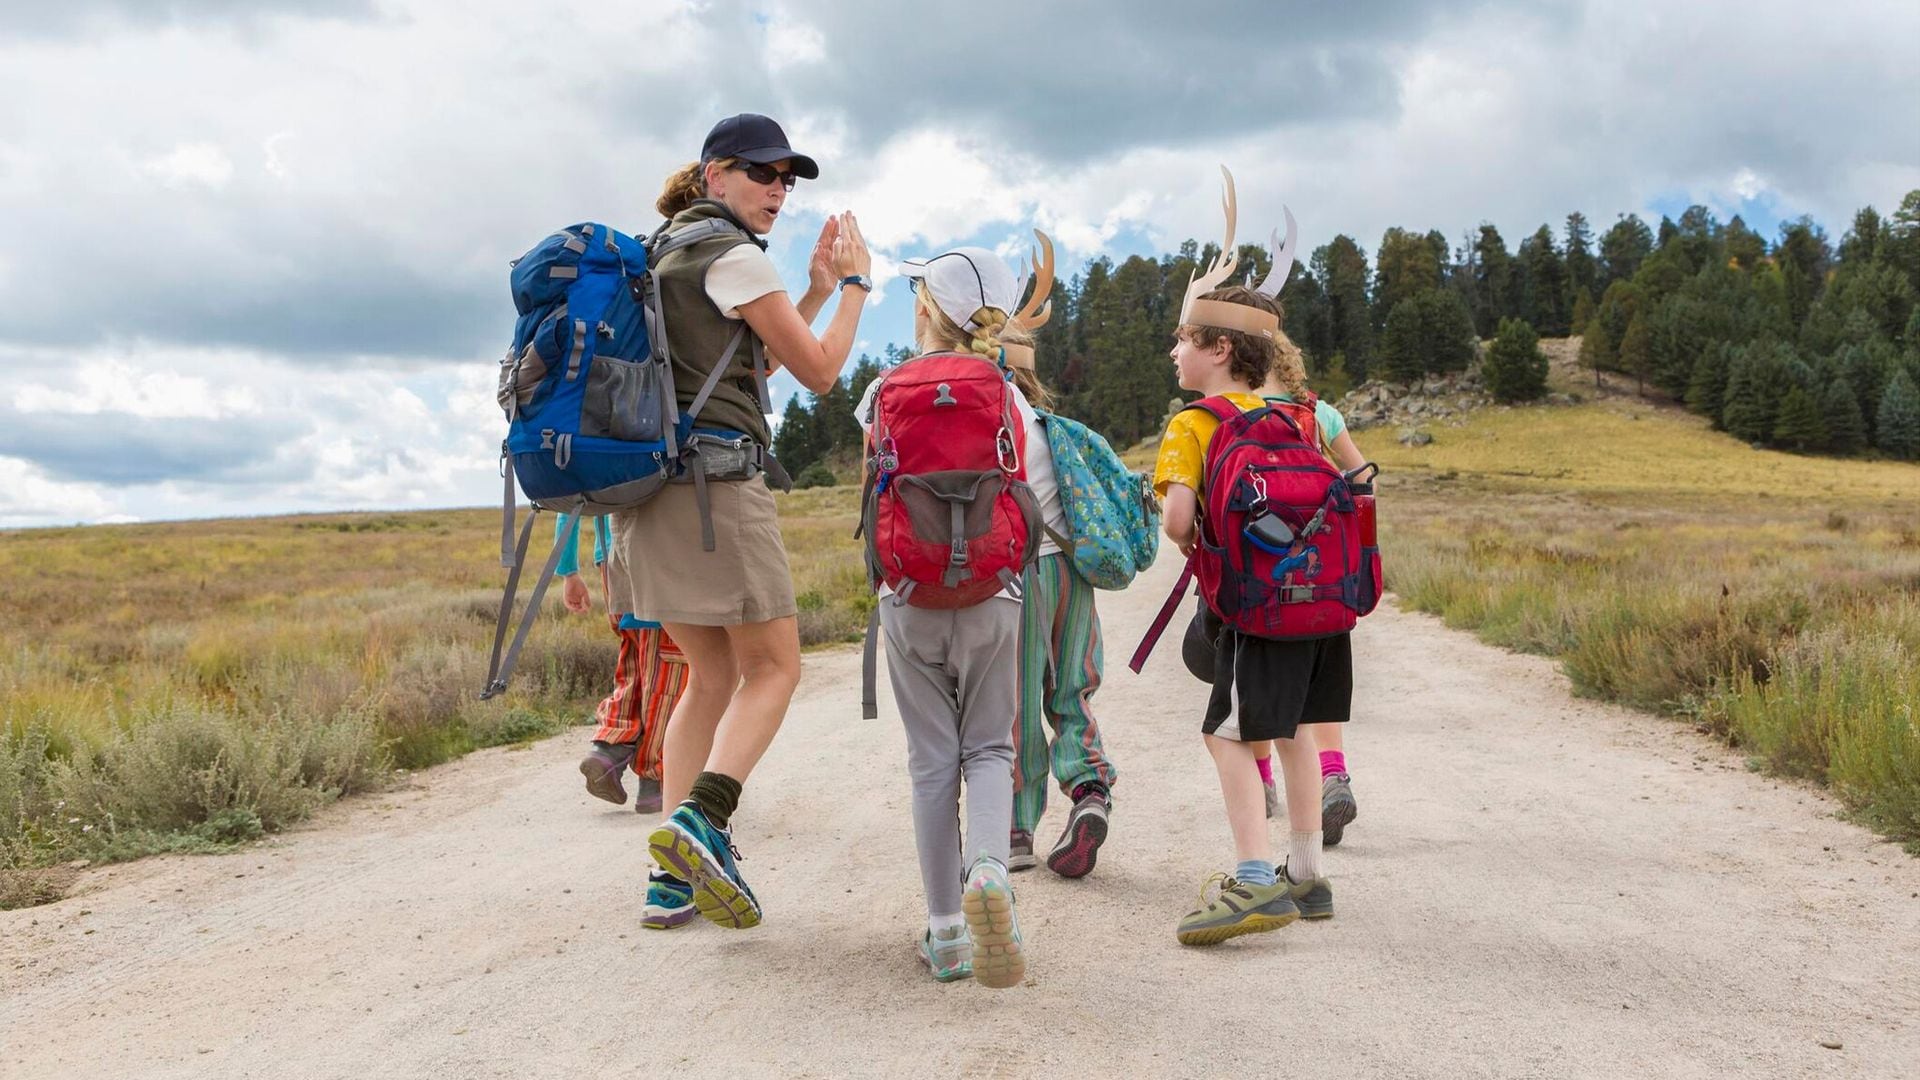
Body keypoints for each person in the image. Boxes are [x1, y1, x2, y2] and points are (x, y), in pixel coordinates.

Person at [629, 113, 872, 932]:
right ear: (713, 175)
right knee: (774, 669)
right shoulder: (731, 253)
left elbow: (745, 359)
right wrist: (856, 287)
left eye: (788, 178)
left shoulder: (667, 250)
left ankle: (671, 876)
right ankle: (703, 819)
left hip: (651, 495)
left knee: (710, 677)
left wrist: (806, 291)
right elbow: (820, 370)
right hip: (719, 491)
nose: (778, 188)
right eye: (761, 173)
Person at [855, 246, 1044, 986]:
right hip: (993, 597)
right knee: (990, 749)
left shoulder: (879, 391)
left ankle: (945, 933)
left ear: (926, 309)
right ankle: (991, 870)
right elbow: (1023, 490)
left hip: (909, 598)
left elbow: (871, 493)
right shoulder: (1008, 391)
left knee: (932, 762)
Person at [1155, 284, 1345, 945]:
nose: (1174, 352)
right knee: (1292, 730)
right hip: (1320, 606)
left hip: (1254, 609)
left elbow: (1179, 517)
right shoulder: (1298, 416)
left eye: (1183, 340)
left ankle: (1254, 876)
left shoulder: (1193, 423)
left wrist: (1189, 537)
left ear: (1221, 348)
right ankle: (1308, 875)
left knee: (1228, 734)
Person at [1004, 361, 1119, 878]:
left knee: (1019, 699)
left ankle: (1016, 827)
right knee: (1074, 688)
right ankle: (1090, 791)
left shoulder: (994, 423)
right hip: (1073, 570)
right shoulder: (1055, 430)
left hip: (1021, 572)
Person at [553, 513, 688, 817]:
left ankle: (610, 744)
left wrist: (568, 571)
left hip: (609, 555)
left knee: (635, 654)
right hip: (655, 548)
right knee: (670, 664)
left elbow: (568, 503)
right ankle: (657, 774)